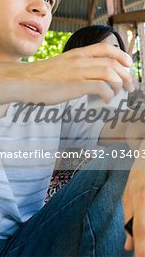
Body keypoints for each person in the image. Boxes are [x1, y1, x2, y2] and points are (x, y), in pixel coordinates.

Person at [0, 0, 145, 257]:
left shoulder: (59, 95)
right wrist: (38, 75)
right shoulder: (50, 82)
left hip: (29, 243)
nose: (41, 7)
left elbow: (139, 123)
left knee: (129, 157)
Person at [46, 25, 130, 200]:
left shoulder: (119, 95)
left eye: (116, 49)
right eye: (103, 49)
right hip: (63, 193)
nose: (113, 57)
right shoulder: (62, 93)